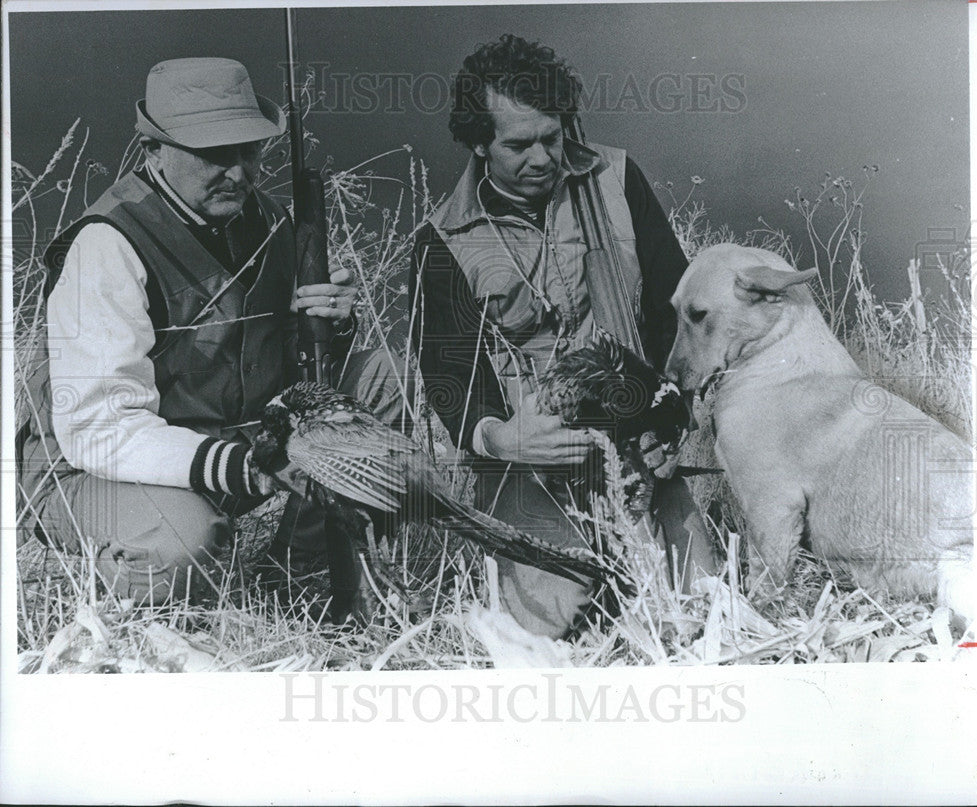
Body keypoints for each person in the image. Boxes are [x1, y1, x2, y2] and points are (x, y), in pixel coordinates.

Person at [17, 57, 402, 613]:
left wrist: (330, 329)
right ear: (152, 150)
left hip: (224, 451)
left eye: (249, 150)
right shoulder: (105, 245)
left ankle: (298, 570)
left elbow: (286, 362)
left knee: (384, 379)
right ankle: (119, 580)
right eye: (216, 154)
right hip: (92, 469)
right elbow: (98, 431)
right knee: (182, 548)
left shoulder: (268, 221)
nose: (241, 173)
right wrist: (247, 467)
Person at [410, 35, 716, 638]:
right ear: (478, 142)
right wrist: (499, 437)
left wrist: (667, 422)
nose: (543, 158)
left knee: (700, 605)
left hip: (634, 440)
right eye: (518, 145)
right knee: (552, 617)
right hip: (528, 461)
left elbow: (672, 315)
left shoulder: (618, 181)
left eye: (553, 137)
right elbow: (448, 377)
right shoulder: (440, 242)